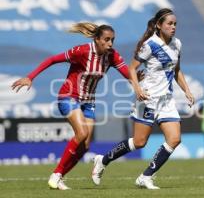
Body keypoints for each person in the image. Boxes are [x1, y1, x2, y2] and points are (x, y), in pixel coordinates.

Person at [11, 22, 131, 190]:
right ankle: (57, 174)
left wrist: (140, 79)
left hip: (88, 102)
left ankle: (59, 177)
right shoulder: (82, 51)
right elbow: (53, 59)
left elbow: (128, 74)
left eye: (113, 40)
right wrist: (30, 77)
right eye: (107, 39)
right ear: (97, 39)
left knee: (85, 146)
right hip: (69, 96)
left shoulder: (112, 56)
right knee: (82, 133)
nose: (110, 43)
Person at [91, 8, 194, 190]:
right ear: (159, 25)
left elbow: (176, 70)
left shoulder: (177, 44)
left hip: (166, 100)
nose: (173, 27)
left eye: (175, 24)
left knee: (175, 139)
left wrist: (187, 90)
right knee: (139, 142)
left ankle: (146, 177)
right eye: (169, 23)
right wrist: (137, 89)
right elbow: (132, 69)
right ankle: (103, 159)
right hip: (147, 97)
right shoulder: (150, 44)